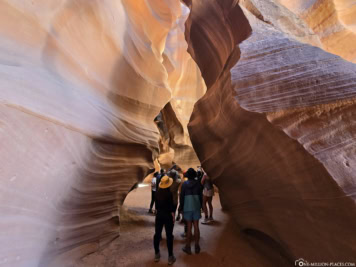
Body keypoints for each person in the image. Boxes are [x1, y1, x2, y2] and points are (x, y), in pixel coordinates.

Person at [153, 176, 176, 265]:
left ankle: (156, 254)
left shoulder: (157, 193)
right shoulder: (169, 194)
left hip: (159, 215)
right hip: (167, 216)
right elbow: (171, 207)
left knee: (157, 234)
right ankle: (170, 257)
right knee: (169, 235)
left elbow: (157, 207)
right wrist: (173, 215)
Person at [179, 168, 202, 255]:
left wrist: (181, 207)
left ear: (188, 176)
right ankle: (197, 246)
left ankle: (188, 247)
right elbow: (200, 196)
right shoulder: (198, 184)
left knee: (189, 227)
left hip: (187, 206)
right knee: (196, 226)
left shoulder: (184, 184)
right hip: (196, 206)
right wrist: (201, 207)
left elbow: (182, 197)